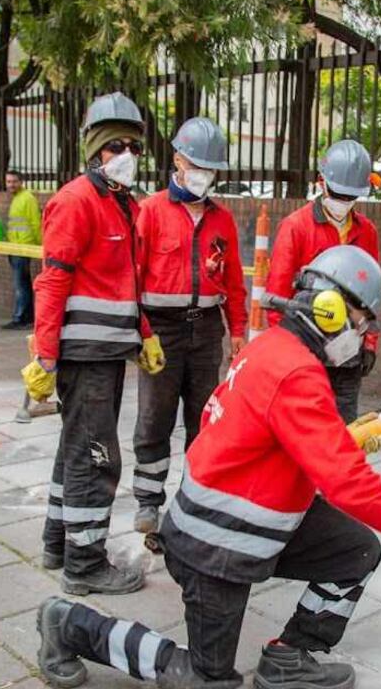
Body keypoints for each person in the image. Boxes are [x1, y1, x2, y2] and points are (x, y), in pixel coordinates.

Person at [34, 246, 381, 689]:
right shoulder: (297, 372)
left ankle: (288, 657)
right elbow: (346, 482)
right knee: (208, 680)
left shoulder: (274, 347)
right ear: (332, 309)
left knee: (355, 552)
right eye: (361, 323)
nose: (360, 336)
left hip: (245, 524)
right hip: (215, 546)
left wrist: (341, 440)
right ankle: (69, 625)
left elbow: (260, 432)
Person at [31, 91, 164, 594]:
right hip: (84, 357)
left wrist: (144, 335)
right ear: (94, 149)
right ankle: (84, 565)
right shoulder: (76, 201)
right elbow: (53, 280)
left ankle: (57, 543)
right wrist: (45, 356)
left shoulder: (123, 205)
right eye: (115, 146)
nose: (127, 155)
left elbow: (127, 284)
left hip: (109, 353)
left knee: (74, 449)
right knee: (96, 457)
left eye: (134, 146)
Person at [130, 117, 246, 536]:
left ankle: (194, 500)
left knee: (204, 420)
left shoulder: (222, 220)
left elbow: (234, 280)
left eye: (210, 169)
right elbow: (132, 279)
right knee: (154, 418)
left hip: (206, 331)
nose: (203, 175)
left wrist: (238, 331)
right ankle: (148, 500)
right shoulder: (150, 212)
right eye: (197, 165)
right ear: (178, 160)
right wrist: (142, 332)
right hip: (161, 332)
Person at [266, 139, 380, 422]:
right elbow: (277, 296)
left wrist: (370, 344)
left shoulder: (367, 233)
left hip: (348, 354)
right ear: (322, 182)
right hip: (305, 353)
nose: (343, 201)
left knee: (343, 430)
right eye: (338, 193)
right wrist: (287, 354)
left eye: (349, 196)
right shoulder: (296, 227)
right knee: (303, 428)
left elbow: (371, 298)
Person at [3, 168, 42, 330]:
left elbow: (36, 223)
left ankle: (20, 318)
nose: (11, 184)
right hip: (15, 247)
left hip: (23, 248)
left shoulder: (27, 198)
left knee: (21, 285)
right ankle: (27, 317)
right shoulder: (17, 198)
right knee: (23, 284)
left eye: (14, 181)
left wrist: (41, 246)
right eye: (8, 182)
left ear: (21, 182)